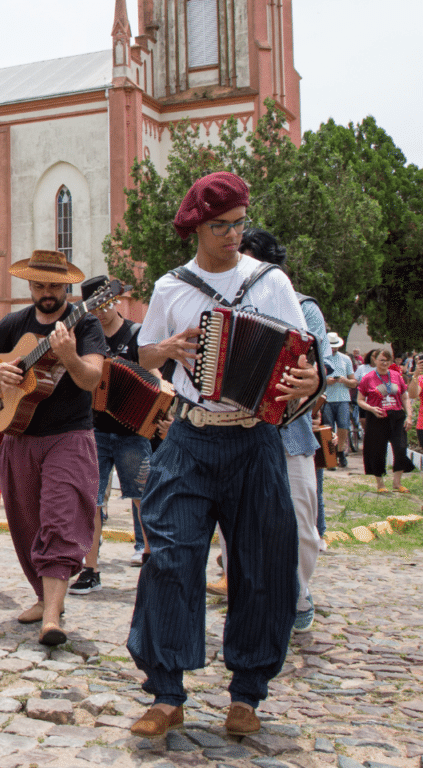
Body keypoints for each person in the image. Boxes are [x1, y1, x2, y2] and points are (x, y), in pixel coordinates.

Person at [126, 172, 320, 738]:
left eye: (239, 223)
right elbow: (146, 357)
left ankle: (247, 694)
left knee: (262, 565)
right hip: (188, 437)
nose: (234, 235)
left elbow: (302, 358)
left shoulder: (271, 282)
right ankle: (166, 692)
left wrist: (308, 380)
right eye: (221, 226)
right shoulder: (170, 288)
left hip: (255, 440)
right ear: (195, 227)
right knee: (169, 558)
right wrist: (163, 349)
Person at [0, 250, 108, 646]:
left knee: (60, 518)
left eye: (55, 285)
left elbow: (91, 379)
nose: (47, 292)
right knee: (27, 523)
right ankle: (45, 598)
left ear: (68, 286)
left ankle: (51, 618)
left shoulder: (88, 322)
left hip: (69, 436)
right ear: (29, 285)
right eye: (40, 285)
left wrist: (68, 356)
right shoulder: (15, 323)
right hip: (19, 435)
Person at [236, 227, 326, 633]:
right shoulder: (230, 310)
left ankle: (299, 590)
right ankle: (265, 602)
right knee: (248, 528)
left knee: (302, 526)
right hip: (240, 435)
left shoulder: (305, 309)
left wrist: (309, 383)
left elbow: (320, 379)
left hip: (290, 435)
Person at [71, 275, 152, 599]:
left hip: (132, 431)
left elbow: (154, 374)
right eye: (95, 308)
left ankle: (152, 562)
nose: (101, 313)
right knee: (92, 499)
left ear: (114, 300)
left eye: (105, 305)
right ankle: (90, 570)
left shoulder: (136, 334)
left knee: (144, 497)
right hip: (96, 429)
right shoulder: (87, 337)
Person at [358, 350, 414, 493]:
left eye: (387, 361)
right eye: (382, 360)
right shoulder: (367, 378)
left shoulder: (396, 376)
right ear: (374, 360)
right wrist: (371, 408)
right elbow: (359, 400)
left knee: (400, 448)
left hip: (396, 416)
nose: (385, 363)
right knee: (377, 450)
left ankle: (397, 482)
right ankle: (380, 484)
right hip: (377, 416)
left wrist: (409, 416)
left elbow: (405, 397)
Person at [322, 333, 356, 469]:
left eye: (335, 347)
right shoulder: (322, 358)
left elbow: (354, 382)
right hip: (327, 398)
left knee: (343, 426)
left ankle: (340, 451)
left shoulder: (346, 359)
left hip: (342, 398)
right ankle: (330, 458)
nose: (333, 349)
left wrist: (345, 380)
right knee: (328, 428)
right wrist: (326, 381)